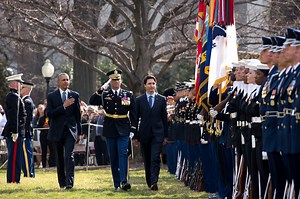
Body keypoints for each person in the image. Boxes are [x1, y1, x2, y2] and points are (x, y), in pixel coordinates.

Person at [89, 68, 137, 191]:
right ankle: (116, 183)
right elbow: (92, 100)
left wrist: (132, 129)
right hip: (110, 127)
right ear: (110, 82)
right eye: (113, 80)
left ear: (121, 81)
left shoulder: (128, 94)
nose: (116, 82)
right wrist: (101, 88)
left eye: (118, 80)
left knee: (123, 153)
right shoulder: (105, 94)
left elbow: (133, 113)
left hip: (124, 127)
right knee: (113, 156)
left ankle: (123, 181)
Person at [46, 73, 83, 189]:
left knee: (69, 155)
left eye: (67, 80)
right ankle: (62, 182)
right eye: (63, 80)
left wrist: (79, 132)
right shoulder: (52, 96)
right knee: (60, 158)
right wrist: (63, 106)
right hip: (57, 131)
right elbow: (50, 114)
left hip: (70, 131)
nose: (66, 82)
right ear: (58, 82)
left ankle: (69, 183)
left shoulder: (74, 95)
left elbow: (78, 115)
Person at [134, 75, 168, 191]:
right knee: (147, 159)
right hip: (144, 134)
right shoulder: (139, 100)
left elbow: (164, 118)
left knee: (155, 158)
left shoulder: (162, 99)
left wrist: (166, 135)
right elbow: (135, 118)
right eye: (149, 83)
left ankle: (154, 182)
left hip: (158, 134)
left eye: (153, 83)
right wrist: (135, 135)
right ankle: (149, 180)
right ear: (145, 86)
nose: (151, 86)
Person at [2, 73, 26, 183]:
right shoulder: (13, 96)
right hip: (14, 131)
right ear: (15, 84)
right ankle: (13, 179)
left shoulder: (14, 96)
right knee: (15, 157)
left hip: (16, 130)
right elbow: (14, 115)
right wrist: (15, 131)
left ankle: (15, 178)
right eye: (20, 83)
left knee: (17, 156)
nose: (21, 86)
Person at [20, 82, 35, 177]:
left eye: (22, 87)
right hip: (26, 131)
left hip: (25, 131)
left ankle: (29, 173)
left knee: (26, 153)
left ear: (27, 89)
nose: (20, 89)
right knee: (25, 152)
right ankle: (28, 172)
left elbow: (27, 119)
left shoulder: (27, 102)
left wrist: (23, 131)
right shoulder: (25, 101)